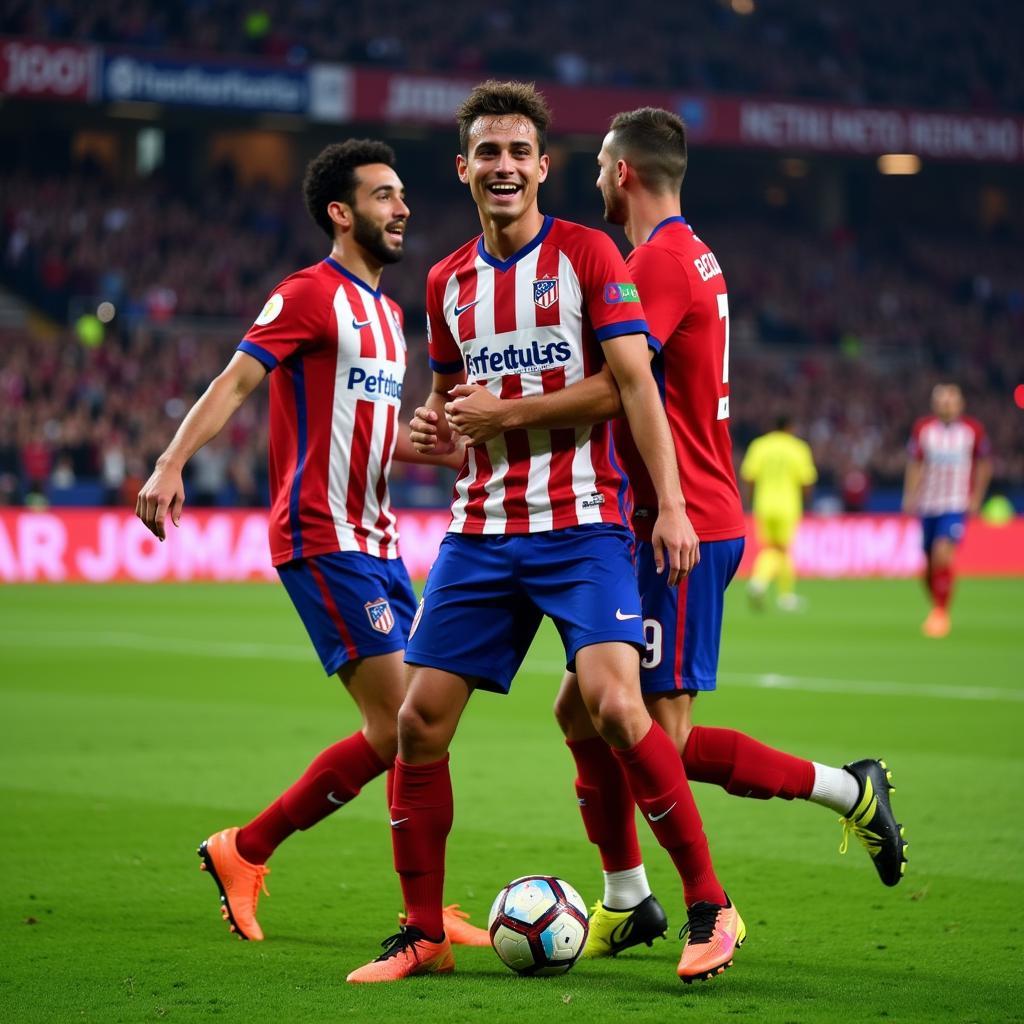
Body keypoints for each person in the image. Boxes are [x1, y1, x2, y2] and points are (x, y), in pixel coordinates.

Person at [441, 107, 909, 961]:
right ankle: (629, 897)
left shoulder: (654, 262)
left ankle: (847, 794)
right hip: (663, 515)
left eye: (595, 171)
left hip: (677, 523)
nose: (590, 184)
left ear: (621, 172)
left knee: (659, 735)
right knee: (581, 714)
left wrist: (502, 410)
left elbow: (619, 387)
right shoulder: (693, 250)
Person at [346, 81, 740, 987]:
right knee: (417, 722)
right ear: (464, 167)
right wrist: (433, 435)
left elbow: (632, 384)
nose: (505, 167)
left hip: (583, 526)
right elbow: (457, 409)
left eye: (519, 152)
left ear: (542, 166)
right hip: (482, 532)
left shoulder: (589, 254)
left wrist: (671, 505)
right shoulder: (446, 282)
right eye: (488, 152)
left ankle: (710, 908)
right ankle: (421, 933)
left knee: (612, 703)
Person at [135, 139, 488, 949]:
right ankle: (385, 902)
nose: (403, 209)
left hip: (382, 538)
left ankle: (255, 852)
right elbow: (235, 380)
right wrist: (170, 461)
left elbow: (357, 426)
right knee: (407, 721)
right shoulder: (307, 294)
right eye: (385, 196)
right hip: (322, 536)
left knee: (413, 725)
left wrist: (418, 443)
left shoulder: (388, 314)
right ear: (342, 211)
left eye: (403, 196)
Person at [903, 383, 991, 638]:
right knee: (928, 568)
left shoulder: (972, 431)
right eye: (940, 400)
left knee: (943, 554)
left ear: (960, 404)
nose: (945, 405)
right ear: (933, 404)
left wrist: (976, 497)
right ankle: (937, 606)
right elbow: (915, 464)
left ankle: (941, 613)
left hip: (955, 503)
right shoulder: (923, 429)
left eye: (950, 400)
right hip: (928, 503)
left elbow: (984, 465)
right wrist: (909, 496)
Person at [741, 414, 817, 611]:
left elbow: (748, 477)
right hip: (787, 505)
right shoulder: (798, 448)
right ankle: (762, 584)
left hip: (764, 504)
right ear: (790, 427)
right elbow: (807, 481)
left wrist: (749, 502)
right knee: (781, 549)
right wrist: (808, 503)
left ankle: (783, 595)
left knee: (772, 548)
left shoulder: (760, 446)